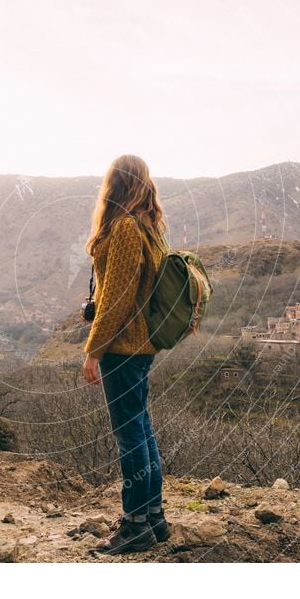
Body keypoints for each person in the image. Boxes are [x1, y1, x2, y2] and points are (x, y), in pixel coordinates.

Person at [82, 154, 169, 555]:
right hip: (143, 345)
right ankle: (152, 517)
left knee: (130, 434)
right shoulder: (150, 226)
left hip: (122, 346)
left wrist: (93, 352)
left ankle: (135, 525)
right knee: (142, 428)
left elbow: (116, 299)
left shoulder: (124, 228)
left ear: (115, 183)